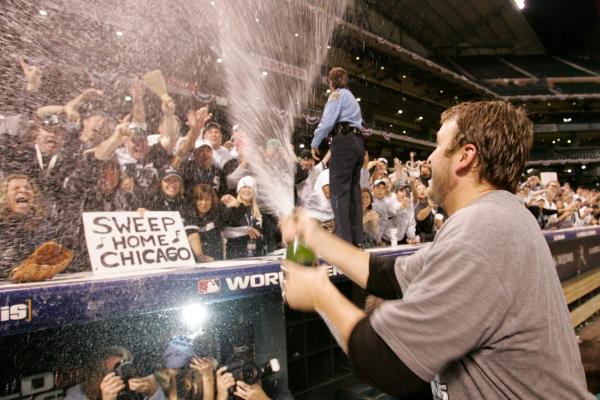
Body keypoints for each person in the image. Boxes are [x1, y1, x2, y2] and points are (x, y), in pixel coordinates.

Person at [279, 101, 594, 399]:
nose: (429, 158)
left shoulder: (482, 230)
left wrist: (319, 294)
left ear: (465, 156)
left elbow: (389, 361)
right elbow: (387, 277)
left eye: (439, 146)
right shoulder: (497, 215)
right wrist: (316, 237)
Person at [310, 67, 364, 246]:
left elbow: (327, 122)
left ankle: (342, 238)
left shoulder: (336, 95)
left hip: (344, 143)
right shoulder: (352, 98)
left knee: (339, 191)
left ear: (330, 83)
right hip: (358, 143)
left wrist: (315, 142)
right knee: (354, 192)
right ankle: (357, 239)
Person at [65, 346, 166, 400]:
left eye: (125, 369)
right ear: (99, 374)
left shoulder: (139, 391)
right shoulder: (78, 395)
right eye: (114, 373)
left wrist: (154, 393)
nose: (122, 376)